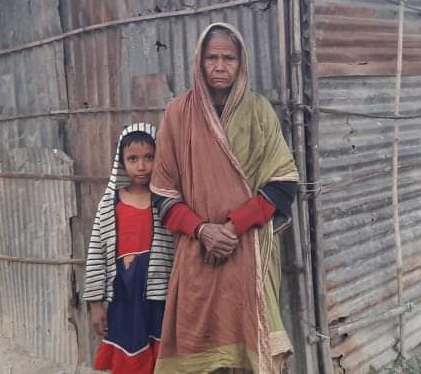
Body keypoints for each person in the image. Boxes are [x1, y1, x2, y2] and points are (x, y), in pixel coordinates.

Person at [151, 23, 299, 373]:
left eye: (228, 58)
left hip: (249, 248)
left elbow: (283, 182)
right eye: (212, 58)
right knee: (200, 348)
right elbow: (163, 195)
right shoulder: (177, 113)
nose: (220, 66)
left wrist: (232, 229)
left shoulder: (259, 111)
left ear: (241, 62)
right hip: (197, 250)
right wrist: (203, 231)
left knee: (253, 345)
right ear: (199, 62)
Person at [83, 123, 173, 374]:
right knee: (129, 360)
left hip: (160, 297)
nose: (141, 166)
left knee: (162, 357)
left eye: (149, 157)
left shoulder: (166, 202)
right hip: (123, 296)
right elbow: (96, 252)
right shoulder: (110, 204)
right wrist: (95, 303)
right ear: (121, 163)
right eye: (133, 159)